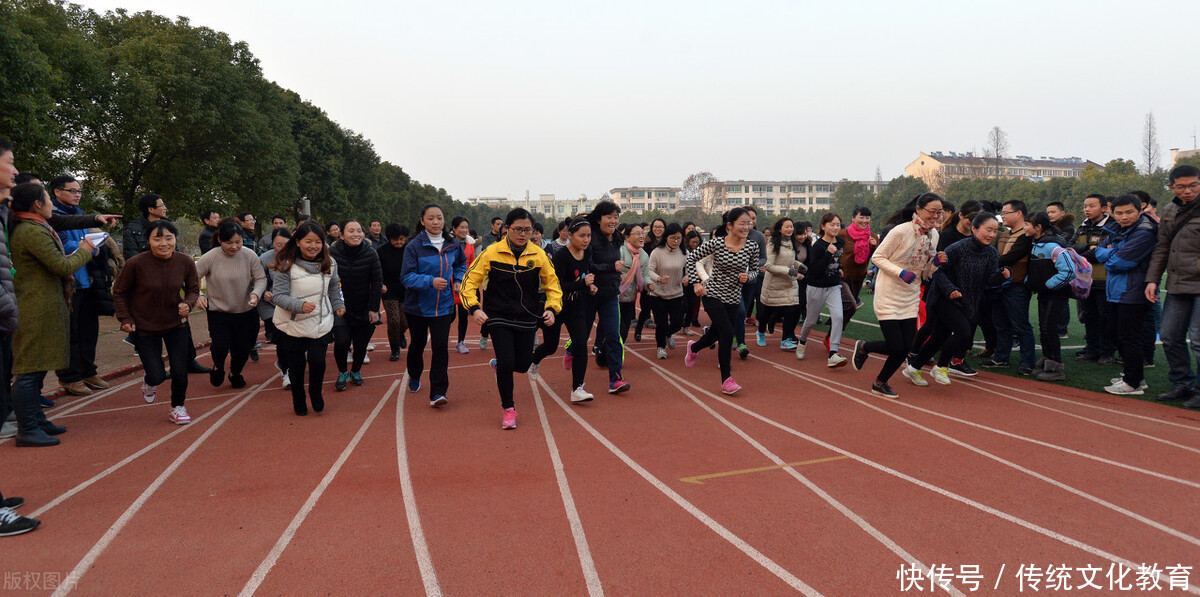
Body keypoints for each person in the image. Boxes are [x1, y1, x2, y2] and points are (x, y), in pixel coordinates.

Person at [8, 183, 96, 445]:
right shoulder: (31, 232)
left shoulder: (36, 228)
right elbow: (61, 265)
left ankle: (36, 420)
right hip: (35, 306)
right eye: (47, 198)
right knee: (29, 371)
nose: (50, 205)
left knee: (37, 369)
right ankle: (27, 428)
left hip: (43, 304)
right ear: (37, 204)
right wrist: (85, 250)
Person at [461, 208, 562, 429]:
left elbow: (553, 285)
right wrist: (475, 308)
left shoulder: (538, 255)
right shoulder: (491, 252)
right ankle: (509, 409)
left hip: (527, 316)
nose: (523, 234)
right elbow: (468, 282)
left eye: (527, 230)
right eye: (518, 229)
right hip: (498, 314)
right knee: (507, 363)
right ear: (507, 229)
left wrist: (552, 309)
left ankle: (500, 365)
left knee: (524, 365)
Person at [851, 194, 945, 397]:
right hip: (889, 292)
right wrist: (900, 272)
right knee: (895, 345)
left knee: (907, 347)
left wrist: (936, 264)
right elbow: (877, 257)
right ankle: (864, 347)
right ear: (919, 209)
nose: (936, 216)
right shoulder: (900, 231)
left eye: (939, 212)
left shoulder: (934, 235)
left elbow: (925, 272)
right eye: (932, 211)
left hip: (910, 294)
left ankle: (880, 382)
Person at [114, 219, 200, 423]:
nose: (164, 243)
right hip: (144, 326)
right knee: (157, 374)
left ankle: (178, 407)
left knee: (180, 370)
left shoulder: (185, 262)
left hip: (176, 324)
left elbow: (193, 289)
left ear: (175, 239)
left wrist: (188, 304)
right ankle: (149, 382)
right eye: (157, 238)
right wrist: (125, 318)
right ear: (148, 240)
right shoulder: (135, 264)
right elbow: (120, 292)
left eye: (169, 238)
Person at [907, 213, 1008, 385]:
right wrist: (950, 289)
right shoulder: (957, 248)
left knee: (938, 337)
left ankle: (913, 368)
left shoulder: (991, 253)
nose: (992, 235)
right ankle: (941, 366)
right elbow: (937, 272)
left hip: (967, 301)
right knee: (963, 332)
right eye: (988, 230)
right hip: (943, 298)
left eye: (995, 231)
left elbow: (990, 279)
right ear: (974, 229)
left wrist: (1003, 275)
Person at [49, 175, 116, 397]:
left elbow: (86, 241)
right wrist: (88, 246)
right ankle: (69, 377)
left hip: (87, 281)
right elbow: (64, 244)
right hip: (68, 283)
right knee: (71, 332)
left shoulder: (79, 214)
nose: (77, 194)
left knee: (89, 330)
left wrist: (93, 244)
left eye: (79, 191)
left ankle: (88, 371)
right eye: (72, 190)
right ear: (57, 192)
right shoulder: (53, 216)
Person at [271, 221, 345, 416]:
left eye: (318, 242)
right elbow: (278, 296)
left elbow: (333, 286)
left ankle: (315, 391)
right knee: (296, 365)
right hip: (293, 324)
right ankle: (298, 396)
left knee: (318, 361)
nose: (313, 246)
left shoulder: (330, 262)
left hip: (321, 321)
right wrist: (299, 306)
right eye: (308, 241)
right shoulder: (286, 265)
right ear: (297, 242)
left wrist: (338, 305)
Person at [684, 208, 759, 394]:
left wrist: (747, 277)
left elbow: (755, 272)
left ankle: (694, 347)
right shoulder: (717, 243)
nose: (746, 227)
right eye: (742, 223)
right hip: (713, 293)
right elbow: (692, 258)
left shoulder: (752, 247)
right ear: (729, 226)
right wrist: (696, 283)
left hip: (733, 297)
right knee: (726, 333)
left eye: (748, 223)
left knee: (715, 334)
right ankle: (726, 380)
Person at [1145, 165, 1200, 407]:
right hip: (1177, 283)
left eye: (1193, 185)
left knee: (1198, 340)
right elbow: (1162, 248)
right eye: (1181, 186)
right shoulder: (1169, 211)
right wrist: (1153, 280)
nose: (1187, 191)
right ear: (1172, 187)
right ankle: (1182, 383)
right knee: (1169, 335)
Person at [402, 204, 467, 406]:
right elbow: (406, 277)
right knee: (418, 344)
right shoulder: (414, 246)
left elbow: (461, 264)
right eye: (431, 218)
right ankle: (414, 373)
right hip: (418, 308)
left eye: (439, 218)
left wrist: (457, 279)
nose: (436, 222)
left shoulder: (452, 244)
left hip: (444, 306)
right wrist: (430, 281)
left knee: (440, 348)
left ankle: (438, 392)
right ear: (422, 221)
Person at [1095, 195, 1157, 395]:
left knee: (1129, 336)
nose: (1124, 217)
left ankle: (1133, 382)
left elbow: (1117, 263)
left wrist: (1110, 253)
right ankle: (1135, 375)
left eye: (1129, 212)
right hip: (1116, 290)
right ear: (1112, 213)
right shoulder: (1116, 229)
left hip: (1134, 291)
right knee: (1115, 332)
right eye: (1119, 213)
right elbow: (1099, 250)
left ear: (1140, 211)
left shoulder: (1144, 233)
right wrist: (1111, 252)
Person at [530, 218, 597, 403]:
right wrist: (582, 284)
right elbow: (556, 286)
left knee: (581, 344)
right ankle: (534, 361)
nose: (586, 239)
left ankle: (577, 388)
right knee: (551, 346)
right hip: (557, 306)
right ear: (569, 235)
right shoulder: (561, 257)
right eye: (581, 235)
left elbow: (587, 275)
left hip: (577, 307)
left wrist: (590, 286)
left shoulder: (588, 251)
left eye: (589, 235)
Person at [195, 219, 267, 389]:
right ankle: (218, 366)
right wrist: (198, 295)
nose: (234, 247)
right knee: (220, 345)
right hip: (219, 312)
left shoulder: (250, 255)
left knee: (244, 347)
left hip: (246, 310)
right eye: (229, 243)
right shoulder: (210, 257)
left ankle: (235, 372)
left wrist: (256, 294)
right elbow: (191, 279)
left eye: (238, 242)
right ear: (220, 240)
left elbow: (260, 278)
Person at [981, 200, 1037, 375]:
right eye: (1002, 213)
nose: (1002, 216)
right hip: (999, 286)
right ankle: (1001, 357)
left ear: (1019, 213)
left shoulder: (1026, 235)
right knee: (1000, 324)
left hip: (1017, 286)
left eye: (1006, 213)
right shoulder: (1003, 234)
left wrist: (988, 264)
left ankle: (1028, 362)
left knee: (1020, 326)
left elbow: (1010, 257)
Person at [329, 219, 382, 390]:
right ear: (342, 235)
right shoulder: (332, 253)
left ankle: (356, 371)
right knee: (342, 341)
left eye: (359, 230)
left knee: (360, 344)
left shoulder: (371, 253)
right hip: (340, 307)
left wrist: (374, 309)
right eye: (351, 231)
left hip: (364, 307)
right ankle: (343, 372)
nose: (356, 234)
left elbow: (376, 281)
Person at [1023, 212, 1076, 382]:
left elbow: (1069, 270)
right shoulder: (1036, 244)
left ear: (1038, 228)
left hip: (1056, 294)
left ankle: (1056, 367)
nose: (1024, 228)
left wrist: (1048, 285)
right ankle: (1047, 360)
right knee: (1043, 327)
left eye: (1027, 225)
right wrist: (1030, 282)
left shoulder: (1052, 246)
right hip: (1044, 294)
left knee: (1049, 328)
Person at [585, 200, 631, 393]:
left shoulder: (618, 239)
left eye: (616, 217)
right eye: (609, 217)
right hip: (589, 293)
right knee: (582, 336)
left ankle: (616, 379)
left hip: (610, 294)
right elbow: (587, 265)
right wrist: (610, 268)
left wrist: (615, 275)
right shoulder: (590, 238)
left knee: (613, 335)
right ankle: (571, 349)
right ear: (598, 219)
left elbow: (614, 262)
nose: (613, 221)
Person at [796, 213, 850, 367]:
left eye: (838, 224)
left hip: (833, 286)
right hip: (816, 286)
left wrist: (838, 268)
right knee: (811, 321)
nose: (835, 227)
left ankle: (833, 353)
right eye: (832, 224)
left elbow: (836, 260)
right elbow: (814, 271)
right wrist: (828, 254)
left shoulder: (840, 241)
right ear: (823, 226)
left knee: (838, 317)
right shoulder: (818, 246)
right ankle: (802, 341)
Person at [1070, 194, 1119, 364]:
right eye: (1085, 206)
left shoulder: (1112, 227)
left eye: (1092, 206)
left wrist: (1082, 255)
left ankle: (1108, 352)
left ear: (1104, 208)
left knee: (1106, 317)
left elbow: (1106, 253)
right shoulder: (1082, 227)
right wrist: (1086, 249)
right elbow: (1069, 247)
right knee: (1089, 315)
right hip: (1085, 281)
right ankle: (1092, 349)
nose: (1087, 209)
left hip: (1104, 280)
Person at [758, 217, 806, 350]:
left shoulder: (792, 242)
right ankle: (761, 332)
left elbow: (789, 261)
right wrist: (789, 271)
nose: (790, 229)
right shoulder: (773, 243)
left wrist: (799, 266)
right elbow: (768, 265)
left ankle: (786, 340)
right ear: (780, 229)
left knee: (793, 310)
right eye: (786, 227)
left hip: (789, 284)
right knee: (766, 313)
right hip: (774, 284)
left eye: (791, 226)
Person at [259, 227, 292, 387]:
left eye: (286, 244)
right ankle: (286, 372)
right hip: (270, 305)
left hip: (292, 304)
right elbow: (257, 279)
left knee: (293, 340)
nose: (282, 248)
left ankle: (286, 363)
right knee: (281, 338)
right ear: (272, 243)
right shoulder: (265, 258)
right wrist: (264, 291)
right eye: (278, 245)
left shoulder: (296, 257)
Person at [648, 223, 687, 358]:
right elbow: (649, 271)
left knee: (677, 323)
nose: (676, 241)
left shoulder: (684, 253)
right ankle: (660, 348)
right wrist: (658, 278)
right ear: (666, 238)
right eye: (673, 238)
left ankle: (668, 334)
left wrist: (687, 277)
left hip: (676, 293)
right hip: (658, 294)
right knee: (661, 323)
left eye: (679, 238)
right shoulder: (657, 252)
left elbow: (690, 269)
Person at [378, 223, 410, 362]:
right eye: (396, 239)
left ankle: (400, 333)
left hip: (406, 289)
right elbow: (376, 271)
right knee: (394, 320)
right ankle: (394, 349)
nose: (399, 242)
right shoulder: (381, 251)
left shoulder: (409, 250)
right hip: (388, 290)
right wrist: (381, 284)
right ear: (390, 238)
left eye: (402, 239)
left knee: (406, 321)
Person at [617, 224, 652, 343]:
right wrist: (618, 276)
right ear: (627, 237)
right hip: (615, 297)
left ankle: (611, 354)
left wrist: (649, 284)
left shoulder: (643, 255)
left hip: (630, 298)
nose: (641, 236)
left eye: (642, 233)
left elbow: (645, 275)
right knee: (616, 329)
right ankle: (606, 354)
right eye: (637, 233)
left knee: (624, 331)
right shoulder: (620, 251)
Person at [634, 218, 668, 341]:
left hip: (663, 279)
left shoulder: (667, 243)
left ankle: (663, 334)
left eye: (661, 227)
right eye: (655, 226)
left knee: (662, 309)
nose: (658, 229)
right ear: (651, 228)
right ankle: (638, 330)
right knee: (646, 307)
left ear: (665, 229)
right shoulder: (646, 243)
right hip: (648, 278)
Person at [839, 206, 879, 303]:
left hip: (859, 277)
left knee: (851, 306)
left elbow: (872, 259)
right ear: (853, 218)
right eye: (861, 217)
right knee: (848, 306)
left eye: (867, 218)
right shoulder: (843, 234)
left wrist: (873, 246)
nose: (864, 220)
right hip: (842, 277)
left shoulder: (872, 237)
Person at [449, 216, 475, 354]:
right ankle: (441, 339)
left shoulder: (470, 245)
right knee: (450, 315)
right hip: (449, 283)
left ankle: (461, 342)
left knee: (464, 315)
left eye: (466, 227)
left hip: (465, 284)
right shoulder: (448, 244)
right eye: (462, 227)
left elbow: (471, 263)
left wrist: (468, 280)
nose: (465, 230)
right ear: (454, 228)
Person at [681, 230, 703, 333]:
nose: (695, 244)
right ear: (687, 241)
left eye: (697, 242)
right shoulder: (683, 252)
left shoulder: (701, 251)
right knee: (683, 305)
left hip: (694, 281)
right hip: (682, 281)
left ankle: (686, 326)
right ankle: (679, 323)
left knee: (691, 305)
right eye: (693, 242)